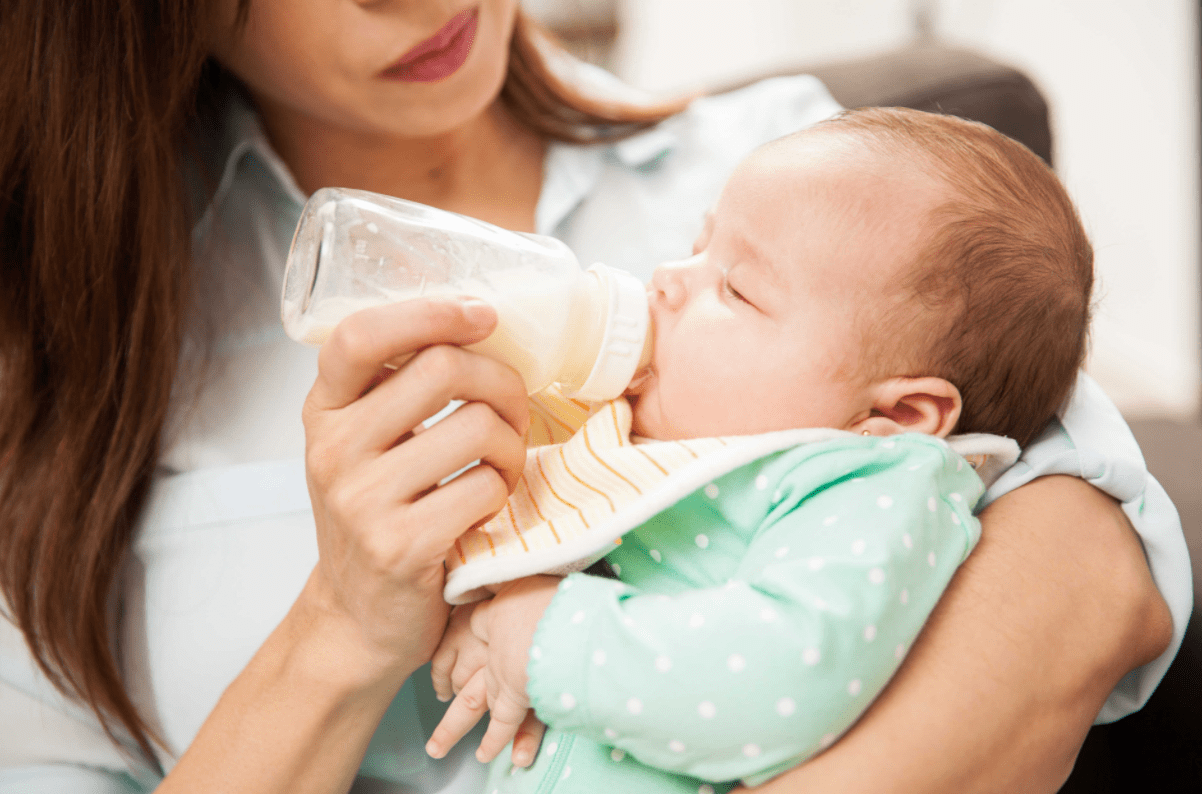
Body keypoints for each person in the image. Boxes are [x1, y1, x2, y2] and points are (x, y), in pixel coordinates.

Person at [0, 1, 1186, 793]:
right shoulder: (62, 370)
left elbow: (1088, 571)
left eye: (729, 284)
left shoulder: (816, 174)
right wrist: (344, 622)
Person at [419, 107, 1088, 793]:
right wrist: (504, 604)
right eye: (697, 244)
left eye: (736, 289)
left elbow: (783, 671)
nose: (666, 279)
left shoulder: (866, 486)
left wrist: (546, 636)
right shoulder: (666, 438)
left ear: (899, 413)